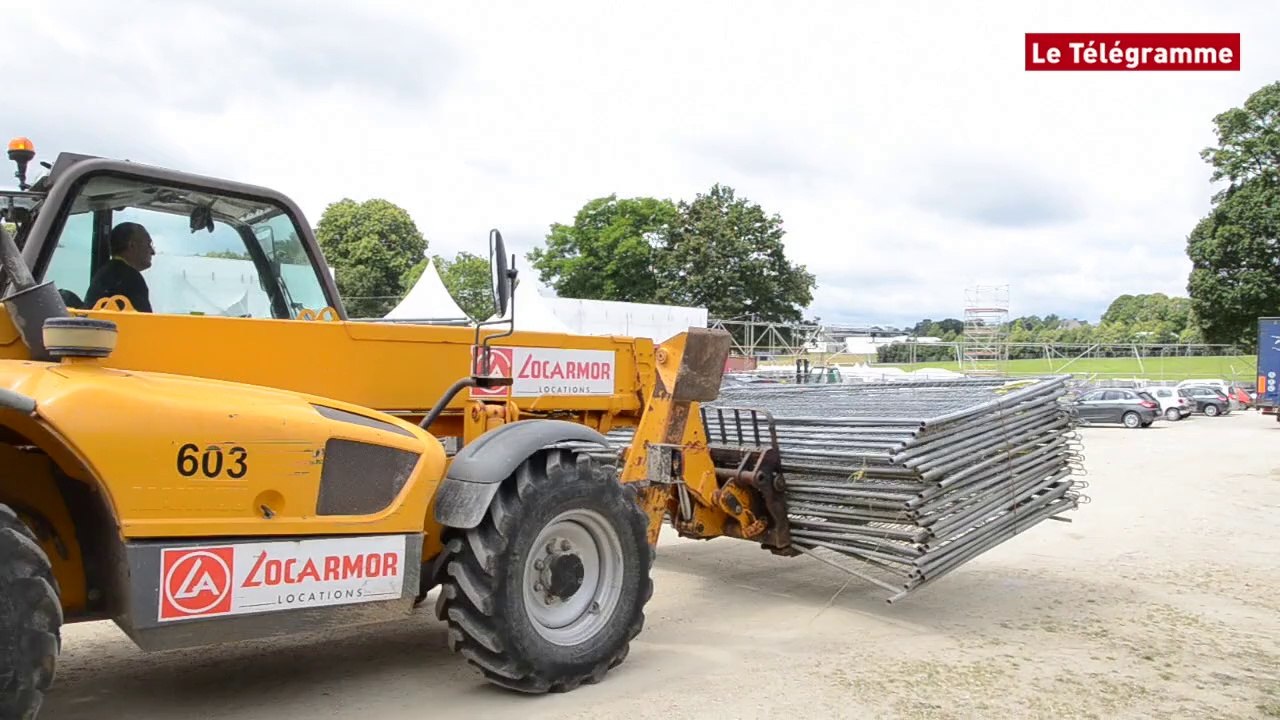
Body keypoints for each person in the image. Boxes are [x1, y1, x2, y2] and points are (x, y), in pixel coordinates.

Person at [84, 221, 155, 312]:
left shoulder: (105, 272)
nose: (153, 252)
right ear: (132, 245)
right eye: (148, 244)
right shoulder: (131, 278)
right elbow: (146, 322)